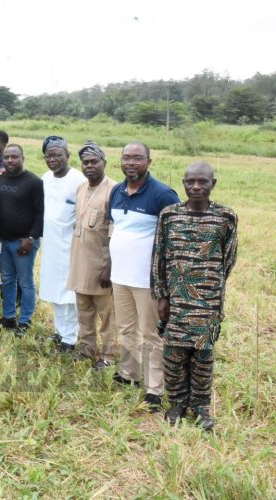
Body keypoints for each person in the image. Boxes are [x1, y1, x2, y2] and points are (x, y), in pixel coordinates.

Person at [152, 162, 237, 430]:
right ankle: (176, 403)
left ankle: (200, 406)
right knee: (174, 355)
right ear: (184, 183)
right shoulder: (169, 215)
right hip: (176, 299)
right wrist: (162, 295)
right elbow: (159, 257)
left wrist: (209, 285)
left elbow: (228, 259)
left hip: (208, 301)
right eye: (190, 182)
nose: (196, 187)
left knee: (203, 357)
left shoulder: (226, 217)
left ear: (214, 183)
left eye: (202, 182)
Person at [108, 141, 180, 412]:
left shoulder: (163, 194)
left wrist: (166, 281)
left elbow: (173, 239)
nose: (131, 163)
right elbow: (115, 228)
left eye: (137, 158)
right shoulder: (117, 191)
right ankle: (129, 374)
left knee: (150, 333)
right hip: (120, 276)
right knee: (126, 328)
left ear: (149, 161)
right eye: (126, 158)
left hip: (147, 280)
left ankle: (154, 388)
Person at [67, 142, 118, 369]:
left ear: (104, 163)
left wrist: (109, 268)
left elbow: (113, 233)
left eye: (94, 162)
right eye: (85, 163)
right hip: (79, 263)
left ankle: (109, 356)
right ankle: (87, 350)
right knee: (84, 312)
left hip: (101, 266)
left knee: (108, 316)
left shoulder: (114, 190)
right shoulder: (80, 188)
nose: (89, 166)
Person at [39, 136, 86, 352]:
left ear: (67, 156)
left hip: (71, 246)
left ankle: (70, 337)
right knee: (54, 290)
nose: (53, 159)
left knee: (69, 293)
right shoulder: (46, 178)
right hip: (50, 244)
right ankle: (59, 331)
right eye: (49, 156)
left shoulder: (79, 180)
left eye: (58, 155)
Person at [0, 144, 44, 333]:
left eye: (14, 157)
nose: (10, 161)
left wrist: (31, 238)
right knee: (7, 280)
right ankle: (8, 318)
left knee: (25, 281)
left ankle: (25, 321)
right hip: (3, 240)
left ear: (23, 158)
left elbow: (41, 213)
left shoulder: (34, 182)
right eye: (6, 157)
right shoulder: (0, 178)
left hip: (24, 242)